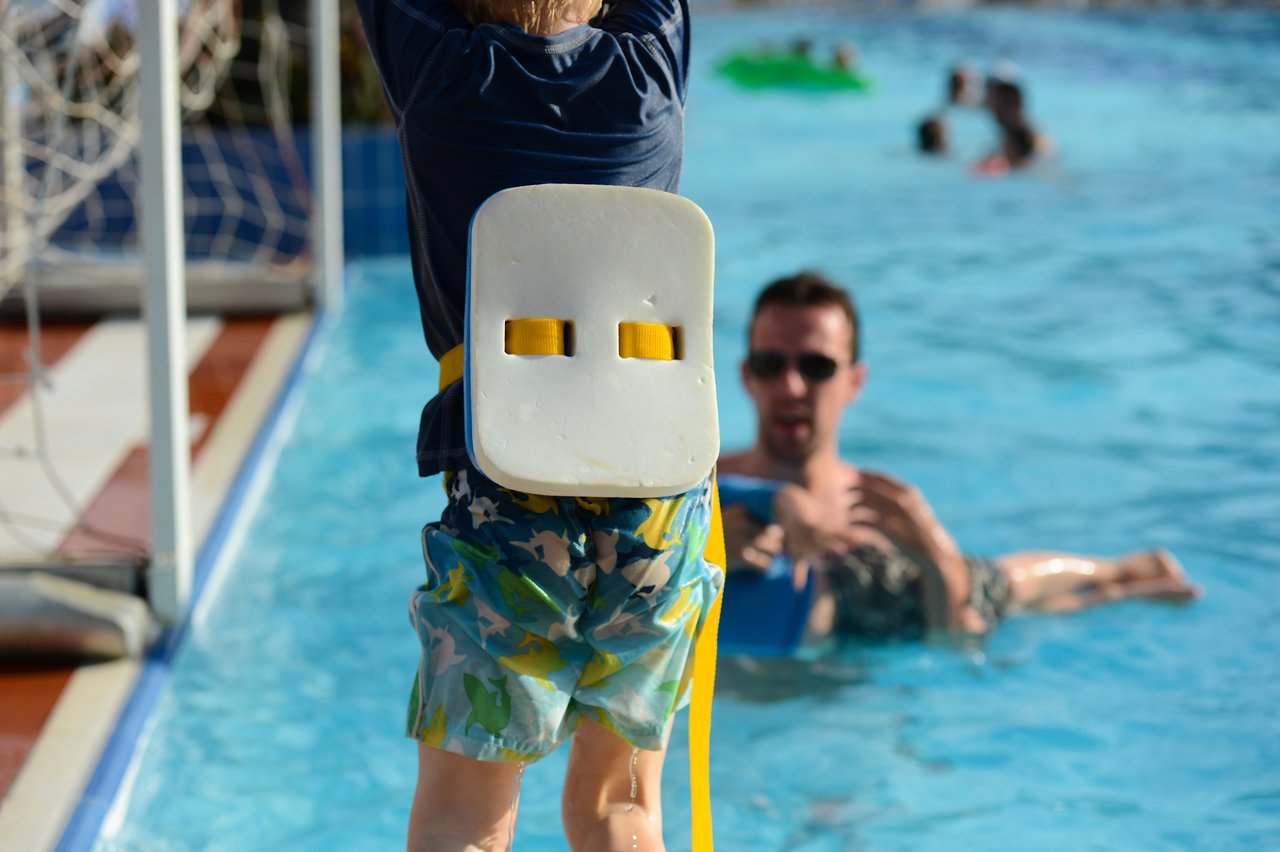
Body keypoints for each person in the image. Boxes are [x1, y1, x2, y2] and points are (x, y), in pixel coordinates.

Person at [353, 0, 721, 849]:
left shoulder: (442, 83)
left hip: (505, 487)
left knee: (465, 812)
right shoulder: (648, 75)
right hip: (658, 497)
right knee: (620, 809)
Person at [718, 271, 1200, 647]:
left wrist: (933, 560)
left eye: (816, 366)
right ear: (745, 375)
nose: (791, 387)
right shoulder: (703, 491)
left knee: (1005, 585)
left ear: (855, 382)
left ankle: (1115, 573)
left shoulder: (881, 510)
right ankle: (1117, 584)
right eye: (770, 365)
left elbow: (957, 643)